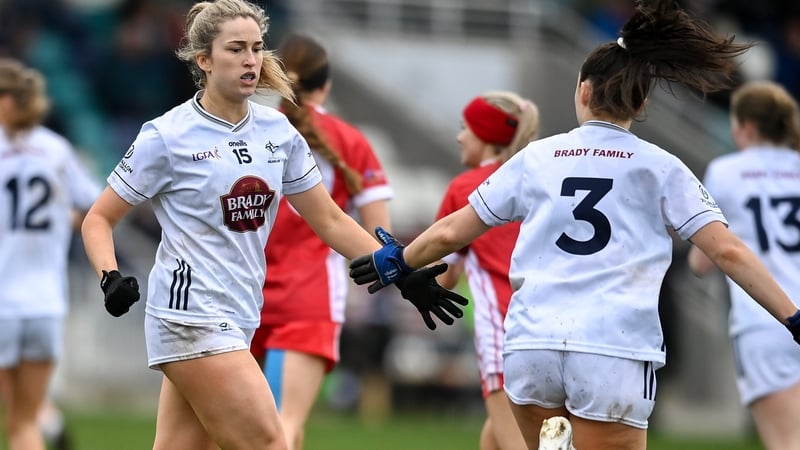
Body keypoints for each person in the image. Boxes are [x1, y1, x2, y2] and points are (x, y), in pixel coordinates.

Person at [348, 1, 800, 448]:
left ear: (583, 90)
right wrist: (792, 317)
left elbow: (450, 232)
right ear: (642, 102)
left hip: (532, 345)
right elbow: (728, 252)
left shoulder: (537, 157)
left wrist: (398, 260)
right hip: (613, 350)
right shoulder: (660, 166)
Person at [80, 1, 466, 449]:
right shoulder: (166, 136)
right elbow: (98, 218)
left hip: (240, 312)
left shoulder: (278, 133)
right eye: (236, 49)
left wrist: (401, 270)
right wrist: (109, 275)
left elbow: (329, 218)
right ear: (203, 59)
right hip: (191, 315)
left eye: (257, 48)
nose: (250, 60)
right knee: (271, 442)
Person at [249, 32, 393, 450]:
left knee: (234, 429)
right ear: (325, 85)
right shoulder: (350, 141)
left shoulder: (254, 132)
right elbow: (379, 234)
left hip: (243, 291)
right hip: (310, 296)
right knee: (285, 425)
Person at [686, 80, 800, 450]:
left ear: (747, 126)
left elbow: (702, 260)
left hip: (765, 322)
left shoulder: (725, 170)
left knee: (785, 442)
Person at [0, 58, 99, 450]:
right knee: (24, 422)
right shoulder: (56, 150)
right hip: (45, 305)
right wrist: (65, 219)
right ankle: (52, 424)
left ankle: (52, 422)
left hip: (2, 301)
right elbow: (98, 206)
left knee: (20, 416)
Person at [434, 91, 539, 450]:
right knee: (493, 440)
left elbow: (442, 275)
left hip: (503, 333)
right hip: (548, 328)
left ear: (485, 135)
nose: (459, 136)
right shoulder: (537, 178)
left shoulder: (464, 188)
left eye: (466, 127)